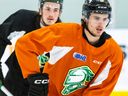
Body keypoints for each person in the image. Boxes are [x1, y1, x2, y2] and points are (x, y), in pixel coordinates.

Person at [15, 0, 124, 96]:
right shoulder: (64, 33)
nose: (101, 24)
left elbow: (99, 89)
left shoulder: (113, 53)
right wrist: (35, 77)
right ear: (85, 17)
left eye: (105, 19)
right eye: (96, 18)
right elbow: (25, 45)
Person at [0, 0, 63, 96]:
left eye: (55, 10)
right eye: (48, 9)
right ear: (40, 9)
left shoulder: (62, 36)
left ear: (60, 12)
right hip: (11, 81)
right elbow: (1, 37)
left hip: (36, 88)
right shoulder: (22, 19)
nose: (51, 14)